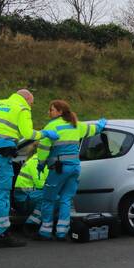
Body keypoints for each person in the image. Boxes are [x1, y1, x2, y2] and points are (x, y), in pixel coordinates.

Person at [0, 88, 58, 248]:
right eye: (32, 103)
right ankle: (3, 234)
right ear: (27, 99)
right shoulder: (22, 108)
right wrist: (45, 133)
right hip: (1, 152)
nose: (31, 106)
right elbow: (28, 134)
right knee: (1, 194)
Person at [35, 100, 106, 241]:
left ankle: (45, 231)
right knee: (66, 199)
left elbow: (43, 148)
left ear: (60, 112)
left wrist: (41, 164)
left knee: (48, 199)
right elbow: (93, 129)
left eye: (52, 110)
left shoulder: (52, 126)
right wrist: (101, 124)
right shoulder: (76, 125)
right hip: (74, 169)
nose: (49, 112)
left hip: (58, 169)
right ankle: (62, 231)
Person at [13, 150, 49, 235]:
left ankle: (39, 223)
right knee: (50, 197)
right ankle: (31, 225)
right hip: (23, 199)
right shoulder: (36, 161)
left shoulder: (44, 161)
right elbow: (40, 184)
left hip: (29, 195)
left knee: (55, 196)